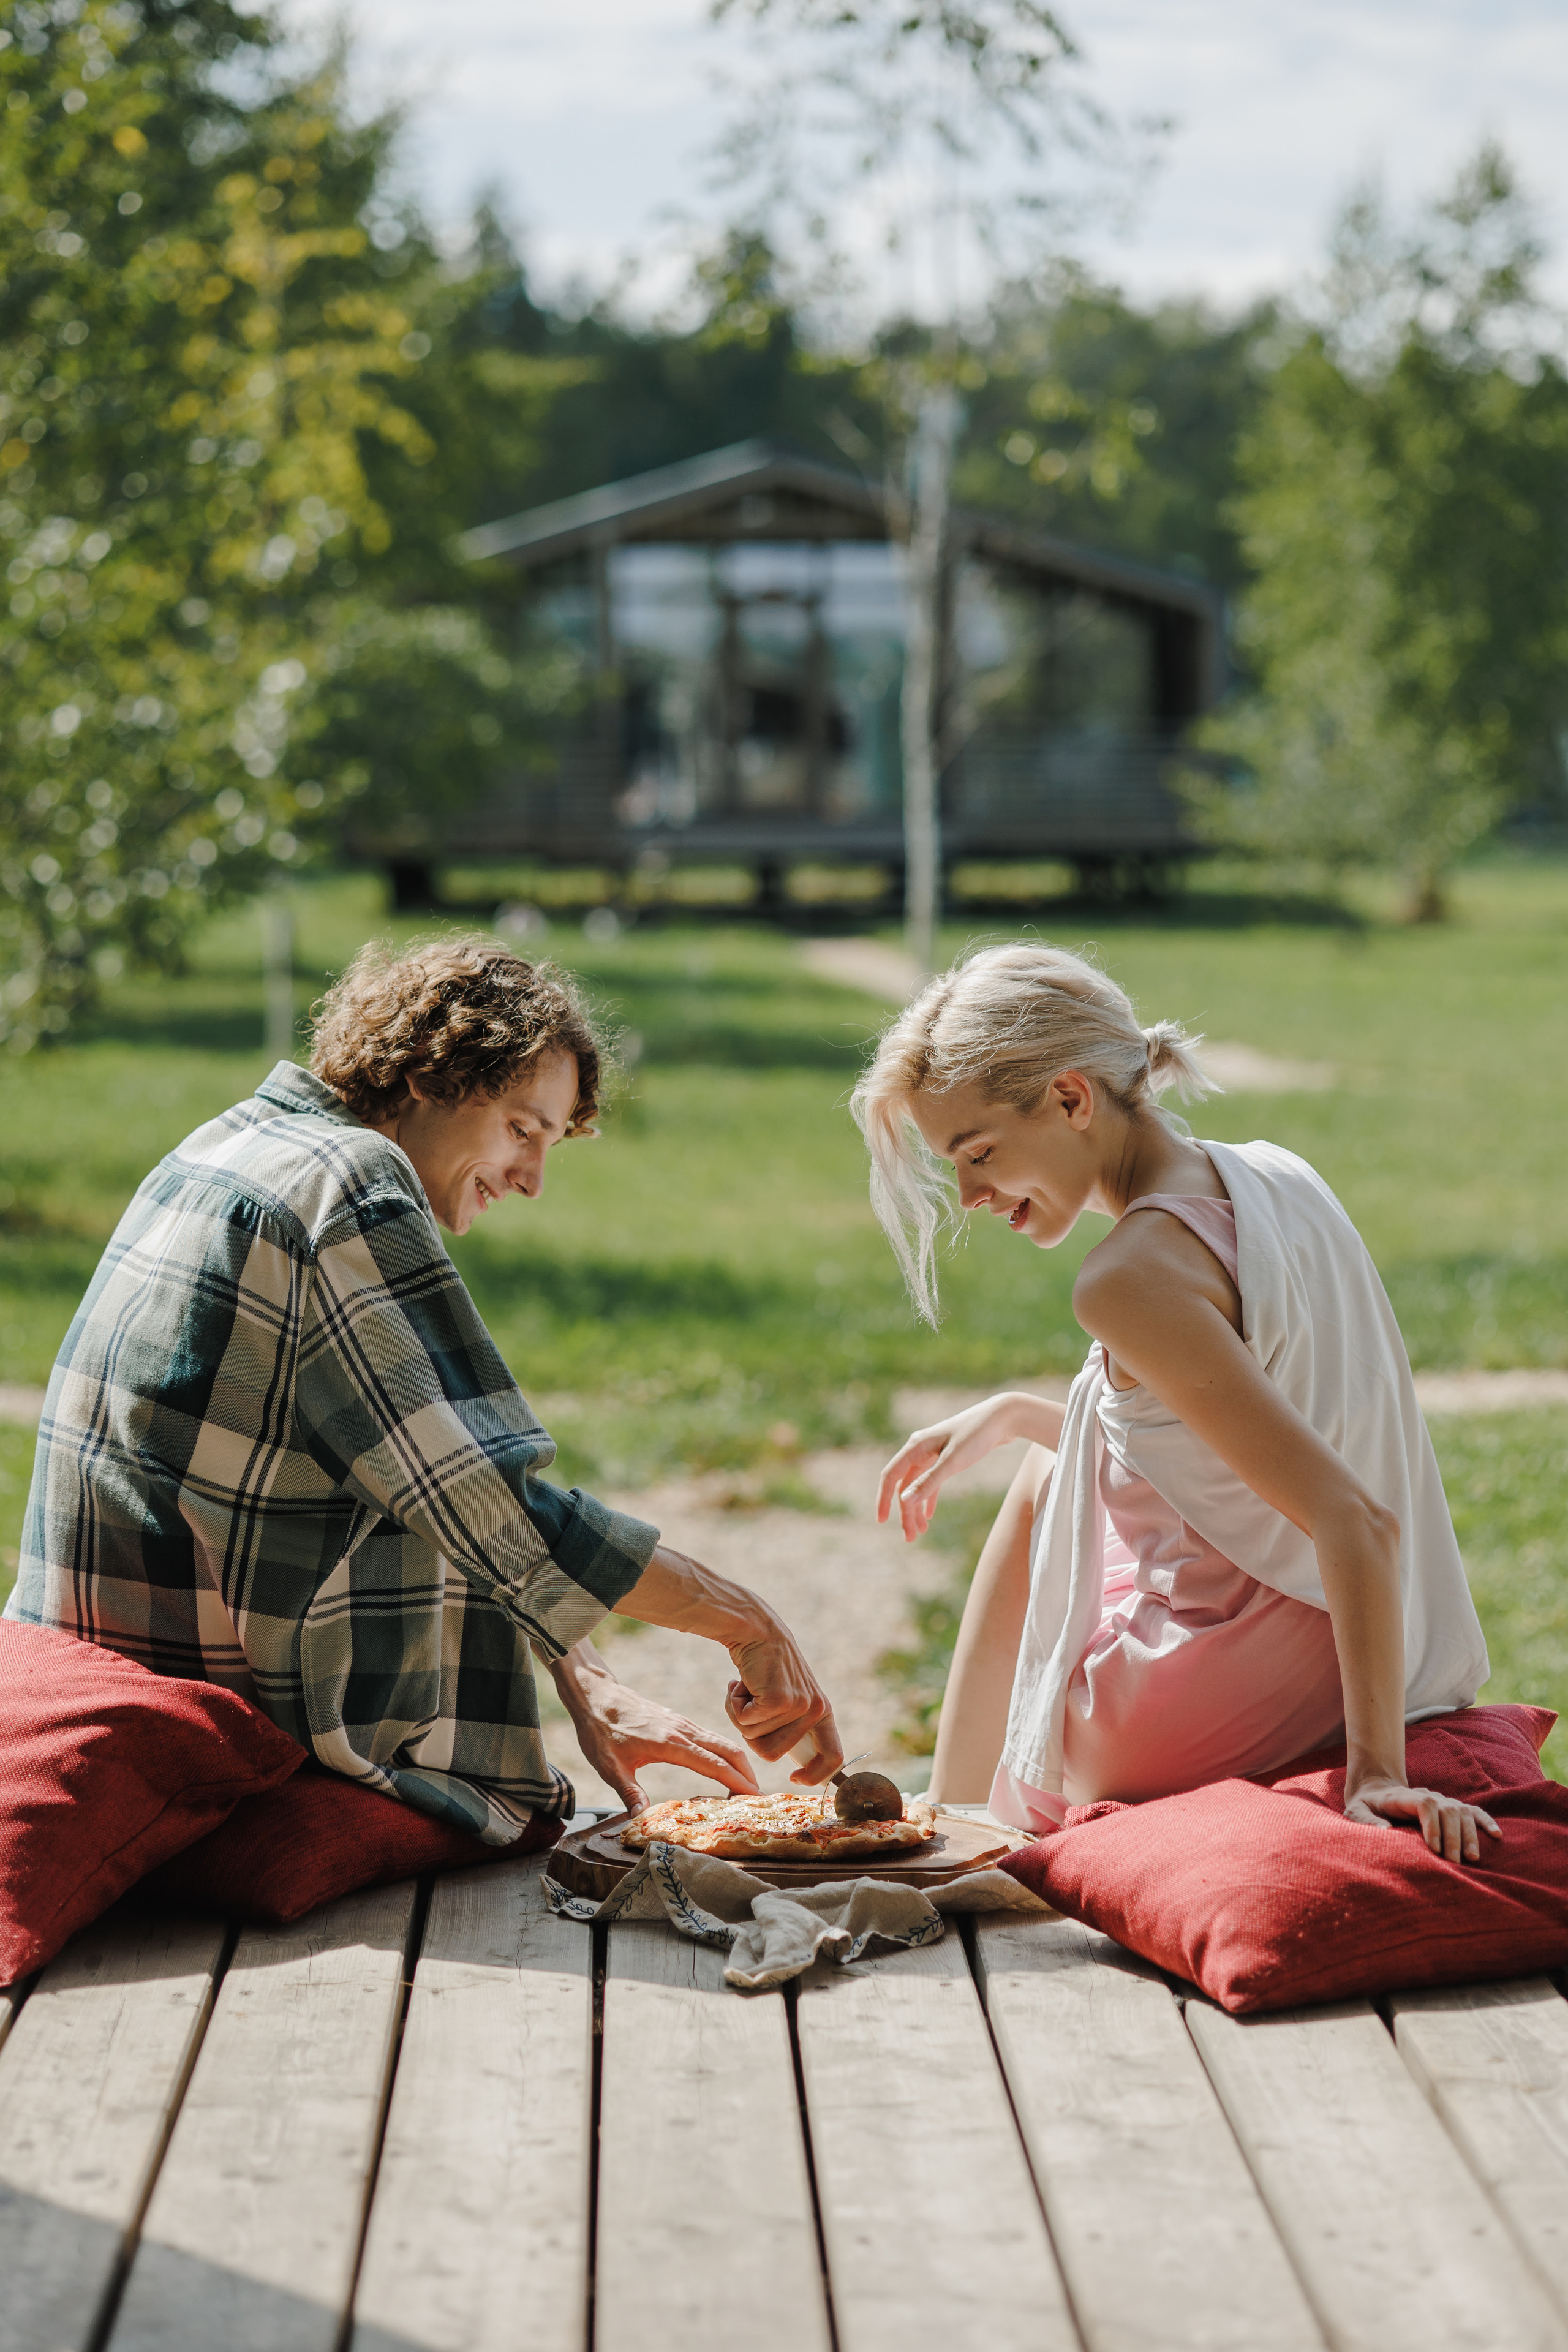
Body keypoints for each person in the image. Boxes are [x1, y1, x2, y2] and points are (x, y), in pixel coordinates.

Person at [7, 935, 842, 1837]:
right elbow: (493, 1502)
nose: (533, 1179)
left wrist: (587, 1678)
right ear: (428, 1079)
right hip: (219, 1741)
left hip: (99, 1677)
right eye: (522, 1129)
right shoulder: (352, 1185)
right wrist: (748, 1621)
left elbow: (435, 1472)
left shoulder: (235, 1144)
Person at [854, 942, 1498, 1865]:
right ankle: (948, 1808)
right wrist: (1016, 1414)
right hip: (1361, 1631)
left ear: (1071, 1098)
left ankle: (954, 1817)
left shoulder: (1129, 1278)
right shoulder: (1272, 1175)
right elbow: (1222, 1455)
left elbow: (1353, 1516)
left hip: (1242, 1689)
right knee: (1043, 1466)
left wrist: (1374, 1773)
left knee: (1044, 1490)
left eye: (980, 1153)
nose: (969, 1195)